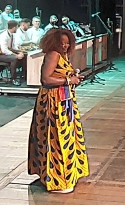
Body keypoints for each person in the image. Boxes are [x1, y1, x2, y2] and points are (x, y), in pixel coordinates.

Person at [28, 28, 89, 193]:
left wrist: (73, 79)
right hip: (53, 102)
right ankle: (57, 179)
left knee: (66, 136)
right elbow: (46, 79)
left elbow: (62, 77)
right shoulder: (53, 54)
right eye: (61, 43)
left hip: (64, 101)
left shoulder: (63, 56)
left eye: (67, 42)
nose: (65, 45)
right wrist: (69, 80)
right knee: (56, 138)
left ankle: (64, 175)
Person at [0, 20, 26, 86]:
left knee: (24, 56)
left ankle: (24, 75)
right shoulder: (4, 36)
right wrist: (16, 55)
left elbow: (13, 47)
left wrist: (20, 52)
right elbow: (4, 50)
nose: (17, 28)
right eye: (17, 27)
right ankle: (13, 79)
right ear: (14, 27)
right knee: (14, 58)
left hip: (6, 53)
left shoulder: (12, 35)